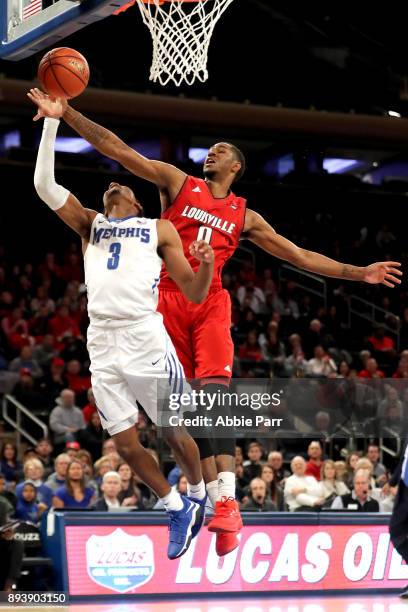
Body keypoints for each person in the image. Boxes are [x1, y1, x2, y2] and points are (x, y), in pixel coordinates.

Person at [29, 88, 403, 557]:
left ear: (236, 169)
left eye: (222, 150)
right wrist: (68, 115)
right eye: (211, 148)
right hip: (162, 297)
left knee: (213, 394)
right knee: (180, 415)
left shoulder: (245, 215)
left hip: (207, 299)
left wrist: (358, 272)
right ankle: (204, 499)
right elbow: (115, 148)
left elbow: (300, 255)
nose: (213, 151)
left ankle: (225, 501)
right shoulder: (177, 183)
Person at [28, 107, 215, 560]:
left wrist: (206, 265)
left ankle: (196, 493)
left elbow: (192, 292)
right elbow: (44, 187)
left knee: (172, 431)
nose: (113, 183)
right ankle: (173, 507)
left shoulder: (158, 228)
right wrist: (52, 122)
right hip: (102, 340)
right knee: (125, 443)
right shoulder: (92, 224)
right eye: (108, 184)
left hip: (143, 336)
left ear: (136, 204)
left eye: (121, 184)